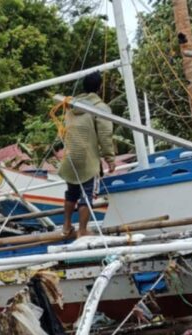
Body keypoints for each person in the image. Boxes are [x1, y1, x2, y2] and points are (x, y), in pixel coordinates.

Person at [58, 72, 115, 238]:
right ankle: (82, 231)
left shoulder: (71, 106)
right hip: (88, 158)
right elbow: (105, 134)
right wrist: (110, 159)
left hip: (70, 156)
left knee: (71, 192)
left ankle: (67, 226)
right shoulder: (100, 108)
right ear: (100, 87)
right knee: (87, 195)